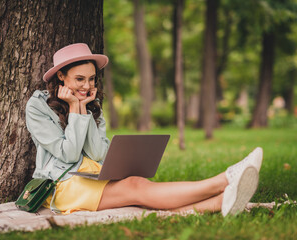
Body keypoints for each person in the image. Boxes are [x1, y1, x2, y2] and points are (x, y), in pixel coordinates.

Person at [25, 43, 263, 216]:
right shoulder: (38, 106)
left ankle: (220, 202)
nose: (88, 86)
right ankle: (225, 179)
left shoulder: (92, 104)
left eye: (92, 79)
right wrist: (75, 108)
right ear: (61, 76)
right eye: (80, 79)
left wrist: (85, 110)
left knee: (137, 186)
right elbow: (68, 154)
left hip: (90, 173)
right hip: (59, 185)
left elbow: (97, 154)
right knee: (136, 187)